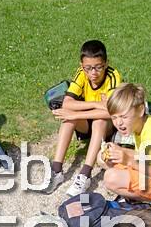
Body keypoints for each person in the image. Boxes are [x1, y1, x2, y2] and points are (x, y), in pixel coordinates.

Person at [44, 40, 125, 196]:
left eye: (98, 67)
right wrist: (97, 104)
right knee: (69, 118)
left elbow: (112, 111)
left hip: (106, 127)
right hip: (87, 122)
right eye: (88, 68)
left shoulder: (113, 76)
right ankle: (57, 170)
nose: (93, 73)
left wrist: (77, 113)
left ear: (106, 63)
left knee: (99, 121)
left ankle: (85, 175)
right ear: (82, 66)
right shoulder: (81, 73)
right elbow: (67, 103)